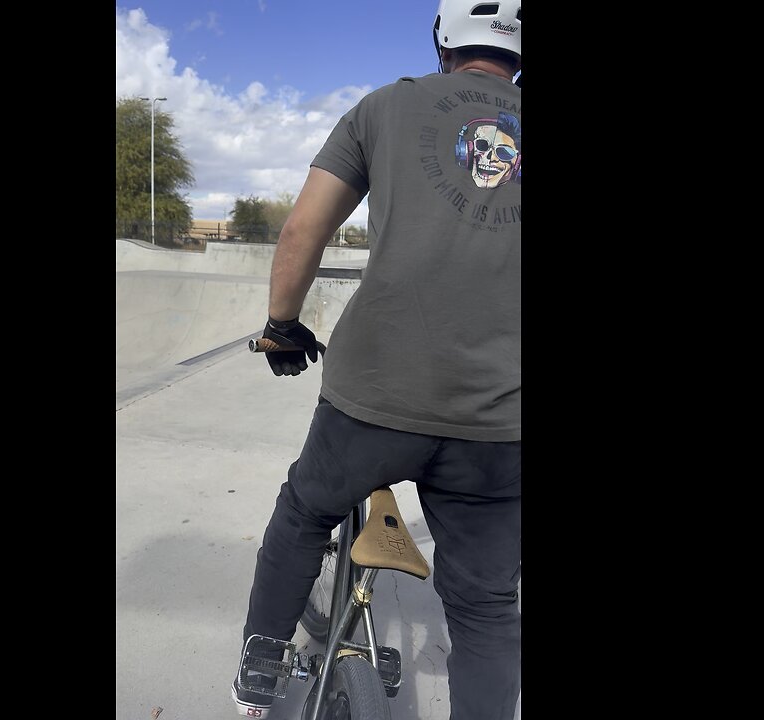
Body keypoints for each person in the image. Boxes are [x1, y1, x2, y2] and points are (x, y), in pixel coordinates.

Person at [233, 1, 521, 717]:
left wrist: (282, 325)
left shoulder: (386, 106)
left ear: (444, 41)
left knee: (304, 510)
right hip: (498, 419)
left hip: (375, 395)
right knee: (487, 607)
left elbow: (305, 226)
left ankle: (258, 671)